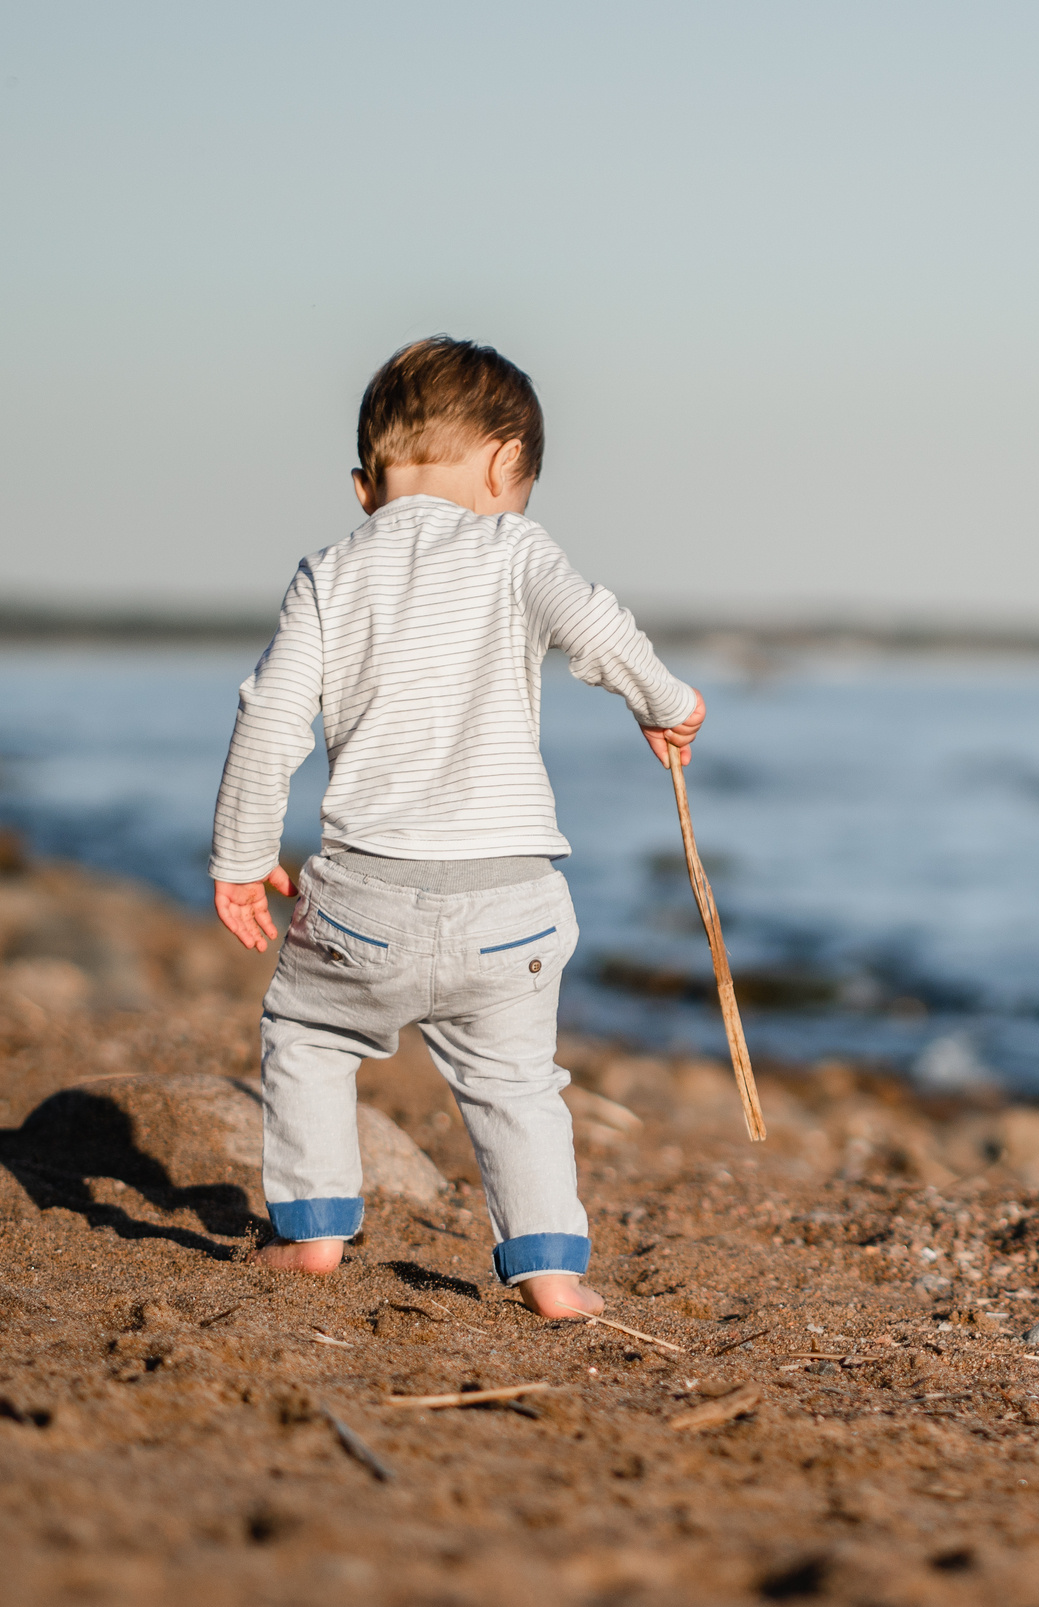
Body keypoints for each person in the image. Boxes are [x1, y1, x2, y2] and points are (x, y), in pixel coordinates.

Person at [207, 336, 702, 1322]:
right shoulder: (517, 546)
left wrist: (242, 856)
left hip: (363, 894)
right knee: (517, 1083)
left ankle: (312, 1234)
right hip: (509, 902)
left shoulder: (330, 572)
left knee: (307, 1034)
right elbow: (597, 629)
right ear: (503, 465)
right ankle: (552, 1274)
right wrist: (666, 700)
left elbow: (270, 719)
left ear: (364, 487)